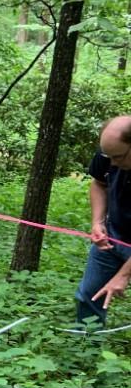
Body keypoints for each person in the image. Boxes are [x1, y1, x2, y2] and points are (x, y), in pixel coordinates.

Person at [75, 115, 131, 323]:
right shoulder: (109, 152)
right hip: (114, 236)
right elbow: (99, 183)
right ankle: (85, 349)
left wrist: (124, 275)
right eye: (108, 156)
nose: (112, 163)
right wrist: (97, 222)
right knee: (89, 295)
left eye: (118, 157)